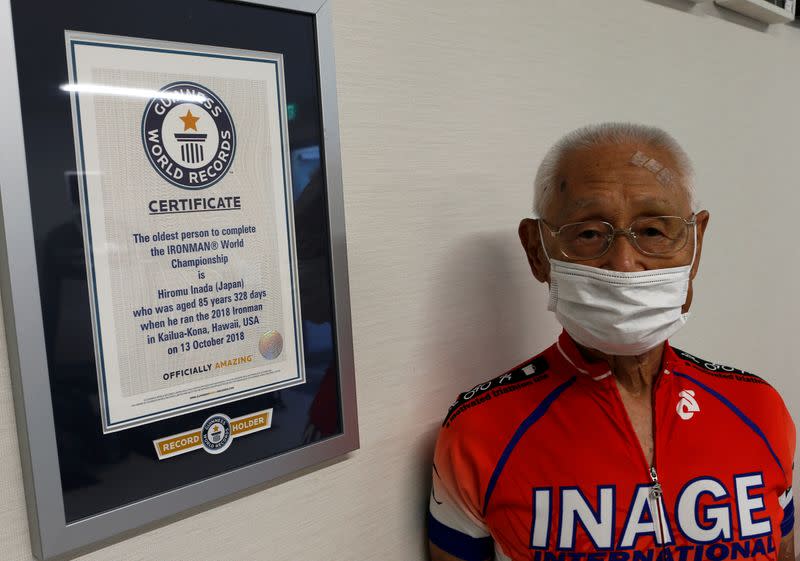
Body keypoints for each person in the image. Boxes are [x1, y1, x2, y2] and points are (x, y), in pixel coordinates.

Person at [427, 123, 795, 561]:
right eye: (588, 234)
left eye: (654, 232)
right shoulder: (479, 432)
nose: (623, 264)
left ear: (696, 244)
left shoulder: (758, 409)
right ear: (536, 250)